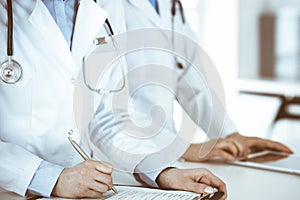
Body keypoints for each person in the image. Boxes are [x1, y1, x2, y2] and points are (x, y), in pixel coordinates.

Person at [0, 0, 227, 199]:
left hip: (83, 191)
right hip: (11, 189)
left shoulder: (104, 6)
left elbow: (108, 115)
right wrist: (51, 178)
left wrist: (163, 172)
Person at [117, 0, 293, 163]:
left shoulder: (167, 5)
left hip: (162, 156)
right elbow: (103, 100)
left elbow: (190, 77)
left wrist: (229, 134)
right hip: (119, 157)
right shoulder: (104, 5)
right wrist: (179, 148)